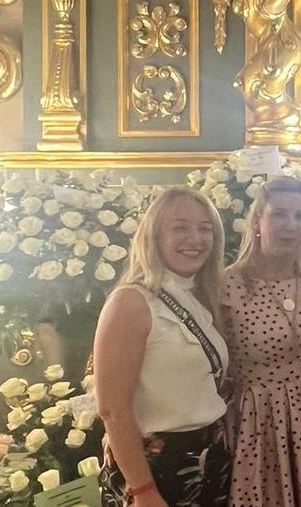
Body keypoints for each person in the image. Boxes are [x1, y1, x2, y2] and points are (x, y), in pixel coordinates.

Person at [94, 188, 231, 506]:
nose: (196, 239)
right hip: (154, 466)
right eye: (180, 227)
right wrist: (142, 490)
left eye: (205, 228)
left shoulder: (197, 296)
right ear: (154, 235)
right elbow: (112, 409)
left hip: (206, 458)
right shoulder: (132, 300)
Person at [221, 176, 301, 506]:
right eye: (279, 214)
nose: (291, 225)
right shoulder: (226, 286)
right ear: (257, 220)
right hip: (257, 419)